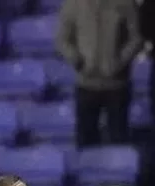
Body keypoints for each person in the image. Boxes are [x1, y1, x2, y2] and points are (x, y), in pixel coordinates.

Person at [57, 0, 143, 147]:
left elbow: (136, 38)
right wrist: (77, 60)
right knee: (85, 141)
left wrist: (118, 63)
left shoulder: (126, 3)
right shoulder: (73, 4)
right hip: (86, 84)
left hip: (117, 86)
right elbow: (62, 40)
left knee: (118, 141)